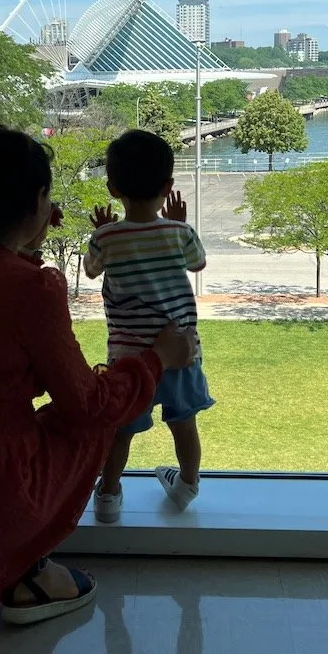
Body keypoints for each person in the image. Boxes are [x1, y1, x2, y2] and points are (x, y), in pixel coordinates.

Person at [0, 123, 194, 627]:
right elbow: (87, 406)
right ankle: (27, 567)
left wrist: (27, 239)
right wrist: (156, 359)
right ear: (39, 200)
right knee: (90, 424)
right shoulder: (33, 289)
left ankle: (2, 563)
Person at [84, 129, 213, 521]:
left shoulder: (106, 238)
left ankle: (108, 496)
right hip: (181, 353)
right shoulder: (180, 232)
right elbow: (198, 263)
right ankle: (186, 484)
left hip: (129, 361)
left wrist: (100, 232)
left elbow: (91, 271)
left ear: (112, 189)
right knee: (184, 423)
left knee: (121, 430)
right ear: (168, 187)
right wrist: (178, 224)